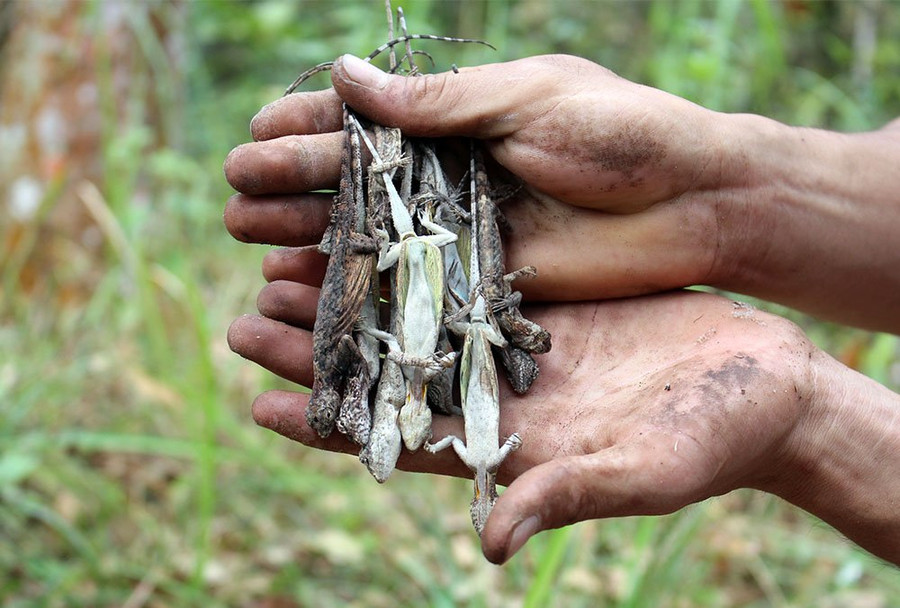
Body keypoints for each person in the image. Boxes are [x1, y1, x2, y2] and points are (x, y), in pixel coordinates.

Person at [223, 54, 900, 565]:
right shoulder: (447, 400)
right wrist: (721, 193)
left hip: (447, 313)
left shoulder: (435, 385)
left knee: (418, 241)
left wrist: (817, 422)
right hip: (448, 313)